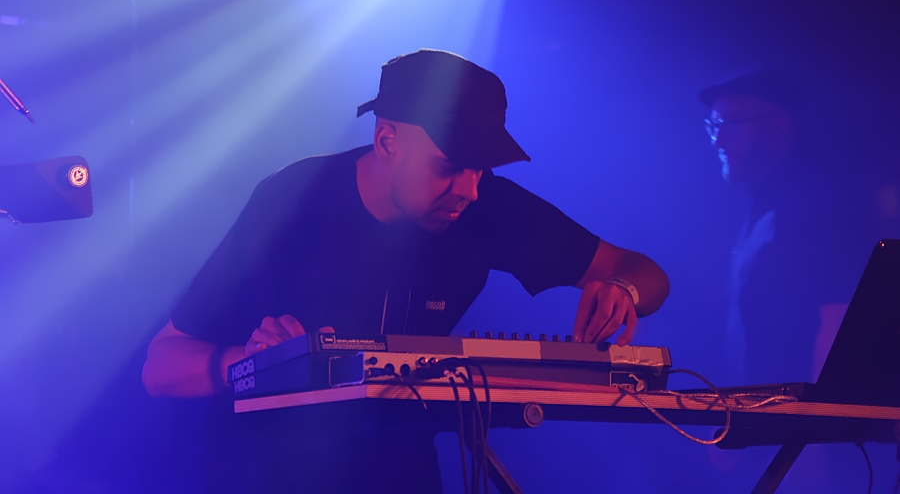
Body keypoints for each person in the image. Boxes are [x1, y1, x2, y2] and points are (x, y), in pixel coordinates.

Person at [142, 49, 670, 493]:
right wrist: (252, 364)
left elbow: (646, 274)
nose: (469, 190)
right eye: (448, 166)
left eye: (480, 168)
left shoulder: (486, 205)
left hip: (400, 473)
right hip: (270, 473)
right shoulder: (291, 202)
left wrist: (621, 287)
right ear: (387, 141)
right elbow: (161, 366)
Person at [700, 70, 881, 492]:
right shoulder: (762, 205)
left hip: (801, 441)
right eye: (713, 125)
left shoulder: (818, 207)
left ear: (780, 123)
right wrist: (731, 416)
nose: (718, 140)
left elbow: (836, 322)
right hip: (770, 431)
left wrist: (810, 440)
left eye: (730, 123)